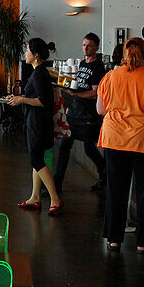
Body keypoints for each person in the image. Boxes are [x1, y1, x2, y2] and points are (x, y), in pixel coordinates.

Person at [96, 37, 144, 251]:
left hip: (114, 139)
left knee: (116, 189)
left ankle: (114, 238)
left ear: (124, 55)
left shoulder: (110, 77)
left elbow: (100, 109)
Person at [8, 38, 63, 215]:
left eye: (27, 50)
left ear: (36, 55)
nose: (25, 53)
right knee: (36, 159)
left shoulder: (39, 73)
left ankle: (55, 198)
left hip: (38, 123)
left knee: (37, 160)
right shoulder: (38, 71)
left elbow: (44, 101)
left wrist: (22, 99)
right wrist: (19, 98)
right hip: (37, 121)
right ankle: (35, 197)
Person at [54, 33, 109, 193]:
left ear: (96, 47)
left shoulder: (98, 67)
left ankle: (104, 175)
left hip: (89, 114)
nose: (85, 48)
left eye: (89, 46)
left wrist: (77, 94)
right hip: (75, 111)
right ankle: (57, 182)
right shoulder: (82, 64)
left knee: (89, 149)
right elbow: (77, 85)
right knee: (65, 146)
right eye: (84, 45)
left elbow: (96, 92)